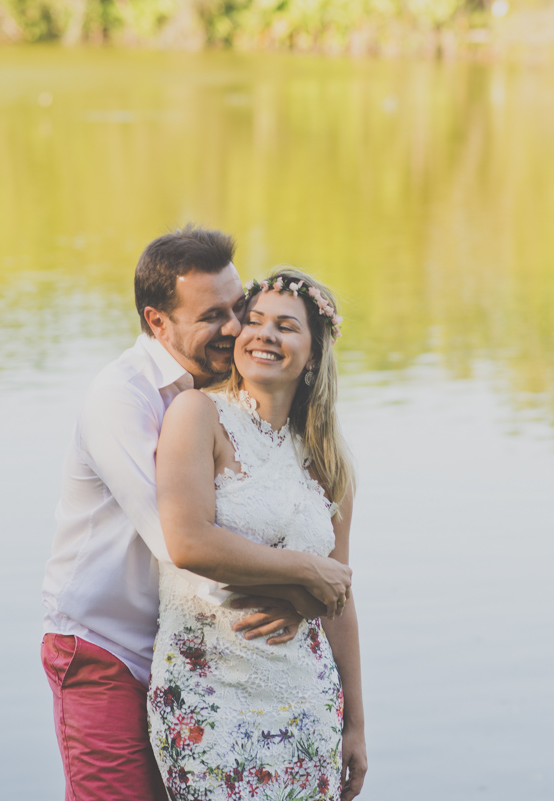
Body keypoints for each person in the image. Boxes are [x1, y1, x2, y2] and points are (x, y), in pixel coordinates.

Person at [41, 227, 352, 801]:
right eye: (215, 315)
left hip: (196, 651)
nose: (236, 328)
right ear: (158, 322)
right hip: (107, 648)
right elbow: (179, 543)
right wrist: (307, 585)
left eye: (238, 308)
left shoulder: (222, 394)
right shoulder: (122, 397)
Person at [149, 268, 367, 801]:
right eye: (254, 321)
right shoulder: (197, 415)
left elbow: (340, 598)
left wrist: (356, 723)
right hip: (211, 698)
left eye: (286, 326)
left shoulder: (327, 462)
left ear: (313, 354)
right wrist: (306, 573)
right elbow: (189, 543)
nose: (265, 335)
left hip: (308, 702)